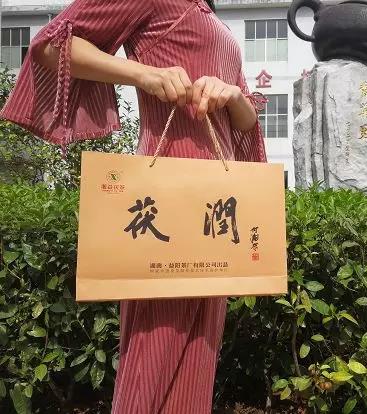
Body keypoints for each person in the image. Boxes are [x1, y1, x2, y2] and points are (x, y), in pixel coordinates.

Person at [0, 0, 267, 412]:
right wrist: (144, 74)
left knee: (198, 360)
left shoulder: (209, 13)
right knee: (152, 358)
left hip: (215, 210)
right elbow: (52, 47)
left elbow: (245, 122)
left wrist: (232, 95)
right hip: (166, 199)